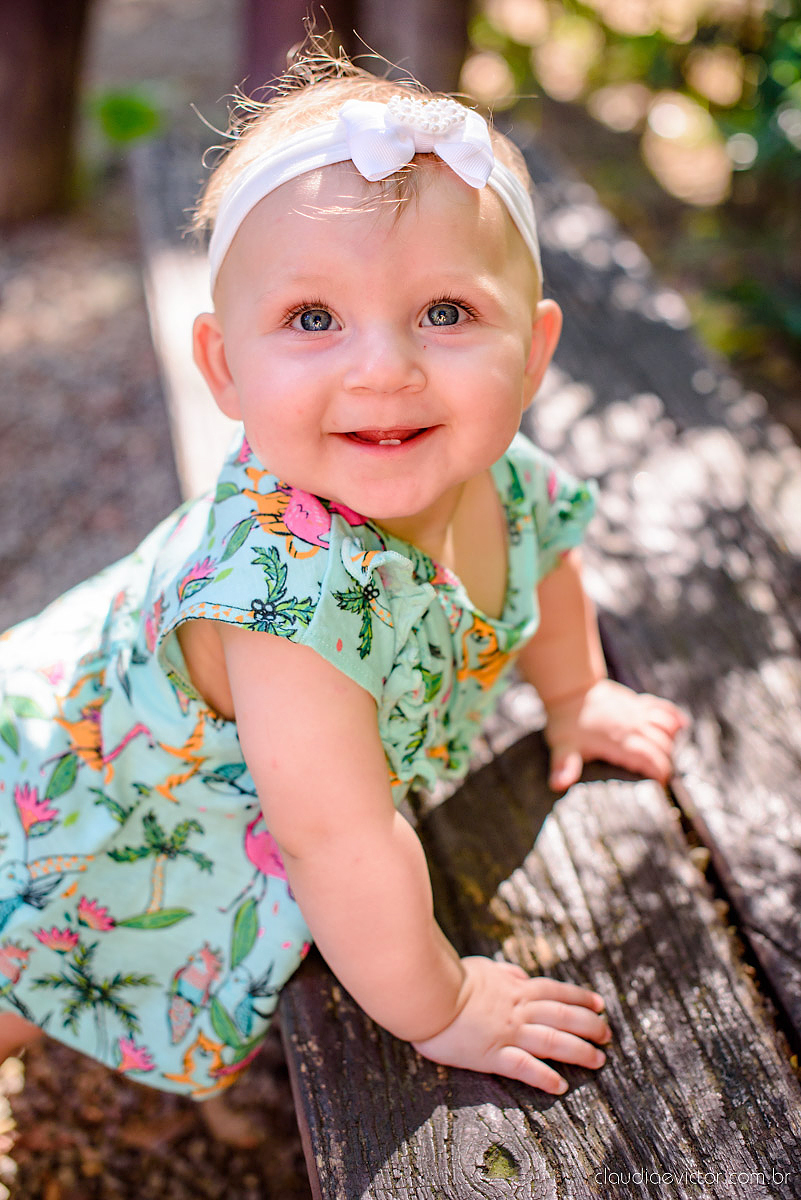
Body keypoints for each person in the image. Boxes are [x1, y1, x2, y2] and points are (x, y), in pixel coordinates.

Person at [0, 52, 686, 1136]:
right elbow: (337, 839)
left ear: (535, 350)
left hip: (176, 761)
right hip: (78, 802)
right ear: (224, 370)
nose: (384, 370)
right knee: (31, 962)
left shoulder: (497, 477)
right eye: (314, 319)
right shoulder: (286, 606)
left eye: (446, 312)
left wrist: (578, 697)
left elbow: (548, 560)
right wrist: (443, 1002)